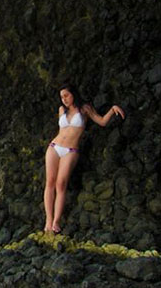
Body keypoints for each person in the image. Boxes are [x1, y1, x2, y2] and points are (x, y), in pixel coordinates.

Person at [43, 83, 125, 234]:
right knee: (50, 182)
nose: (64, 99)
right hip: (54, 147)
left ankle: (56, 221)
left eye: (66, 95)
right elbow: (63, 130)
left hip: (71, 150)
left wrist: (113, 109)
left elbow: (101, 122)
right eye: (62, 97)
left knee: (61, 184)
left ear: (73, 94)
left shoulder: (84, 109)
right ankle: (48, 220)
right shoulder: (62, 110)